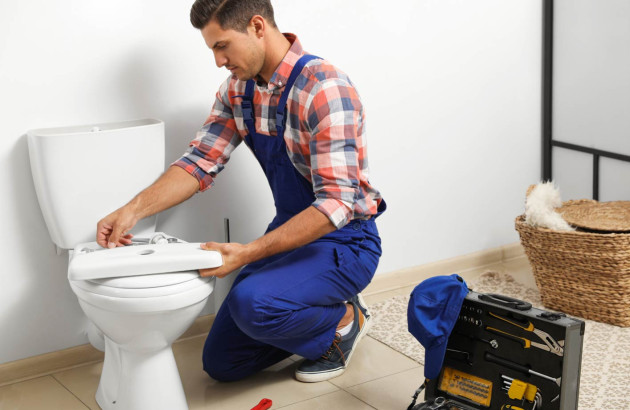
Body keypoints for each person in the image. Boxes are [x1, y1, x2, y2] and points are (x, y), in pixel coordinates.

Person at [96, 0, 385, 383]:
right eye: (213, 49)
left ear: (257, 27)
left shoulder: (325, 89)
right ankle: (303, 309)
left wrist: (248, 253)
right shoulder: (238, 91)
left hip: (345, 242)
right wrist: (133, 210)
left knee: (255, 304)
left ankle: (345, 320)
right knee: (222, 363)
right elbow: (199, 161)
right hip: (290, 232)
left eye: (222, 46)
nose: (218, 61)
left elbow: (337, 202)